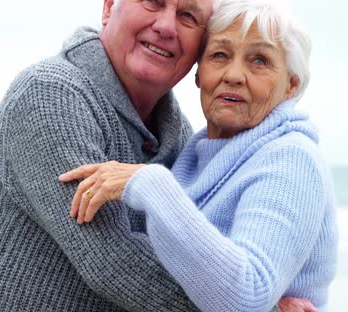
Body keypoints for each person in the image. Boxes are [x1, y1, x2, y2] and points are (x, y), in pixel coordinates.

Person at [60, 0, 338, 311]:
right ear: (198, 73)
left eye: (259, 61)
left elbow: (245, 297)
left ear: (291, 86)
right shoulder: (193, 154)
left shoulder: (291, 158)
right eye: (220, 55)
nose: (234, 75)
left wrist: (148, 182)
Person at [0, 0, 215, 310]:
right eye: (153, 2)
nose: (166, 27)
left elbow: (207, 250)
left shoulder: (178, 135)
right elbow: (114, 263)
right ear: (108, 7)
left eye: (188, 16)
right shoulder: (49, 94)